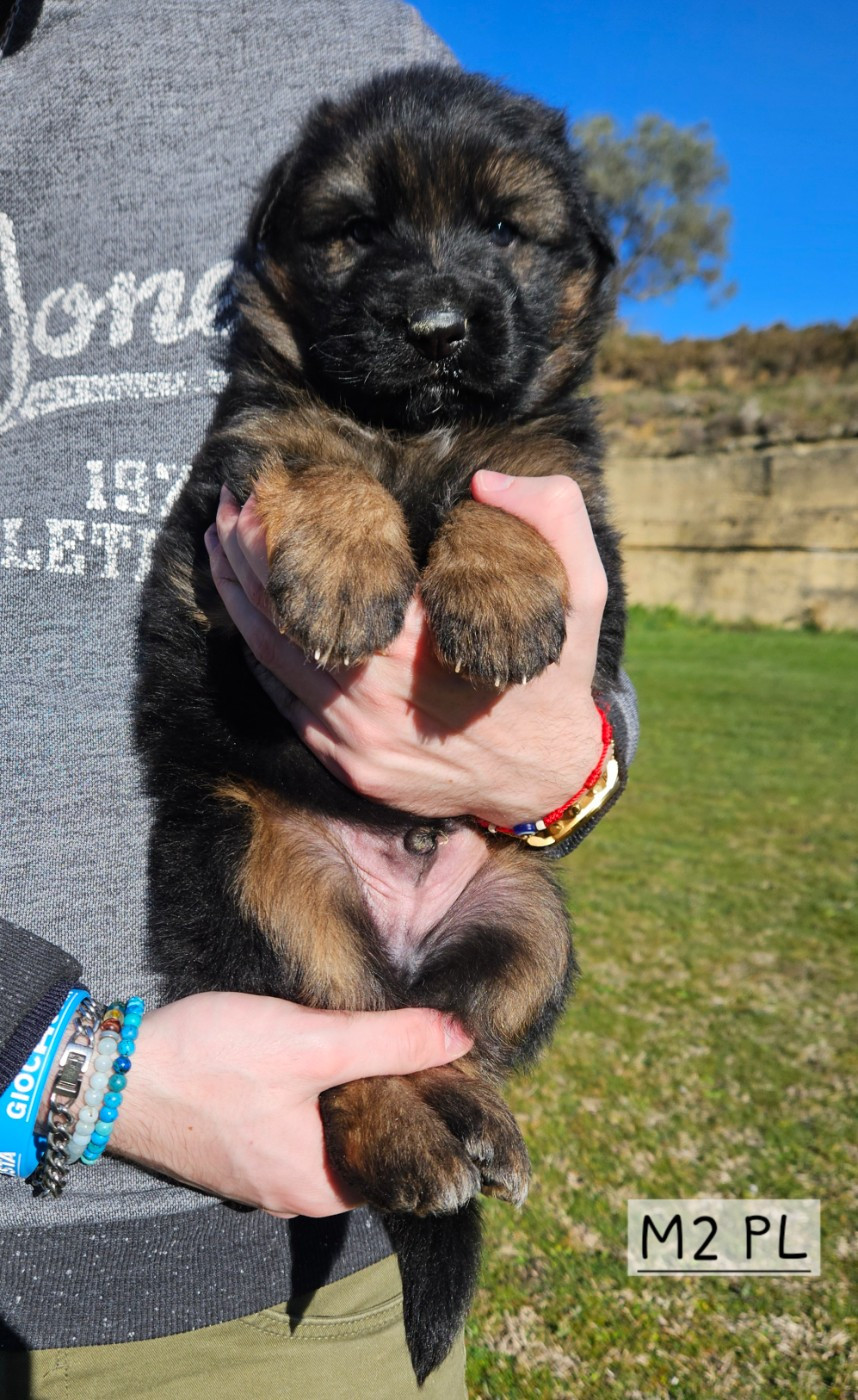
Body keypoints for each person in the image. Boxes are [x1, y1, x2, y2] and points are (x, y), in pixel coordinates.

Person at [0, 1, 638, 1395]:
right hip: (184, 979)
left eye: (505, 238)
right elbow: (266, 462)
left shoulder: (352, 35)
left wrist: (565, 760)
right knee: (252, 842)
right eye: (356, 237)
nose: (431, 295)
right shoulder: (286, 418)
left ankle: (416, 1093)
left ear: (586, 270)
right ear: (280, 263)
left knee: (525, 941)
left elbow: (582, 698)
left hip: (302, 1282)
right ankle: (375, 1089)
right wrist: (47, 1058)